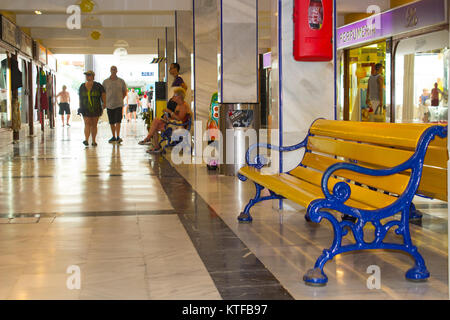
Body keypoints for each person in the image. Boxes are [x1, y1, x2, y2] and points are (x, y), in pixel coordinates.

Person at [144, 87, 190, 153]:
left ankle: (152, 142)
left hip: (177, 127)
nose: (173, 97)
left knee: (156, 122)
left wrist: (170, 112)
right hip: (173, 124)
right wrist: (167, 117)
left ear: (179, 96)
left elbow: (180, 119)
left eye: (174, 95)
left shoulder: (183, 105)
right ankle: (151, 141)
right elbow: (175, 117)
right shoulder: (179, 105)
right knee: (156, 122)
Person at [78, 70, 106, 147]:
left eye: (89, 75)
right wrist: (80, 107)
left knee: (94, 124)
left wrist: (104, 103)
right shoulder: (82, 86)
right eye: (86, 75)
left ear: (93, 76)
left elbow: (103, 94)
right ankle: (86, 140)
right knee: (87, 124)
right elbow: (80, 97)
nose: (87, 76)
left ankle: (93, 140)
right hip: (85, 108)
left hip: (96, 107)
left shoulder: (98, 86)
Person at [102, 66, 128, 144]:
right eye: (112, 69)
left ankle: (118, 136)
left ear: (117, 71)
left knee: (118, 121)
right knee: (111, 122)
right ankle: (113, 136)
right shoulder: (105, 82)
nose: (113, 71)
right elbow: (103, 93)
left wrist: (121, 99)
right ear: (110, 71)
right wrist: (104, 103)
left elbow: (124, 92)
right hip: (109, 104)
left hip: (119, 104)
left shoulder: (121, 81)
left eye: (114, 69)